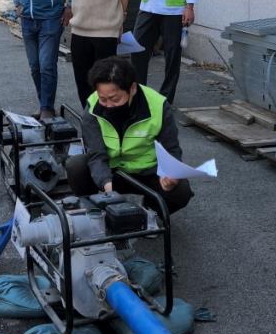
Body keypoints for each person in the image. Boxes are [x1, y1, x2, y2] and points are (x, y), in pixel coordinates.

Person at [65, 56, 192, 215]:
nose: (108, 105)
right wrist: (107, 186)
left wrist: (170, 173)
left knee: (181, 191)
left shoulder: (158, 105)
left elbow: (171, 149)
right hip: (112, 172)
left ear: (132, 89)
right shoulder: (92, 106)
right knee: (76, 166)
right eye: (103, 99)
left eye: (114, 99)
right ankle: (95, 211)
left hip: (147, 173)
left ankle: (148, 213)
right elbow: (96, 154)